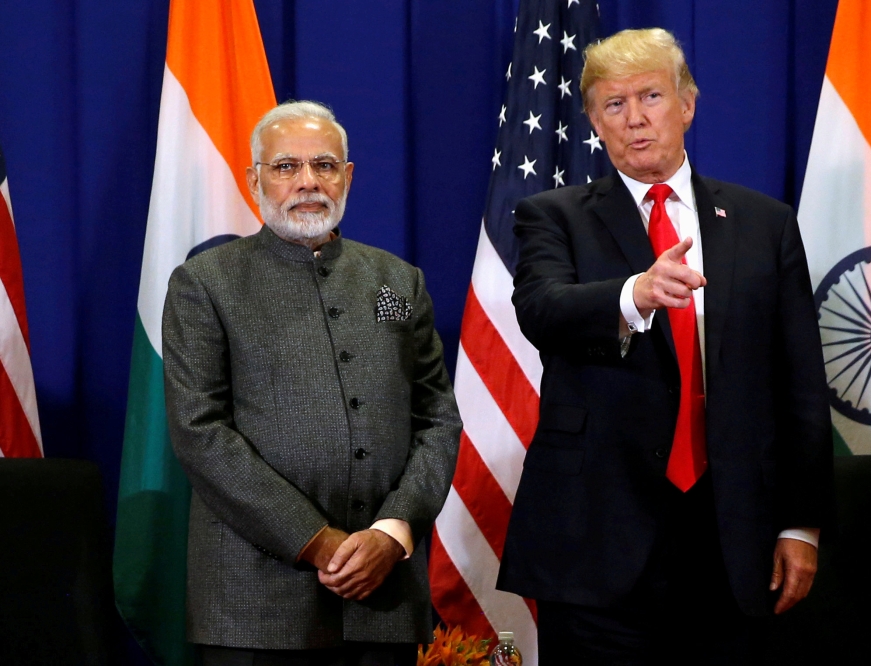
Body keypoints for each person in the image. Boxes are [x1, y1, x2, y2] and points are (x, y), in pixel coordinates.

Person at [496, 28, 834, 664]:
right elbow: (542, 310)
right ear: (594, 121)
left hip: (734, 536)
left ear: (688, 104)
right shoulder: (552, 215)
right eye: (614, 105)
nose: (635, 118)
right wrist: (635, 294)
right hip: (597, 537)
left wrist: (800, 523)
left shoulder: (765, 223)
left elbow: (800, 384)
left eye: (650, 95)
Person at [162, 100, 462, 666]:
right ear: (255, 179)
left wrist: (392, 533)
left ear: (347, 176)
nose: (308, 182)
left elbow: (438, 419)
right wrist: (318, 542)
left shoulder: (398, 280)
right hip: (253, 604)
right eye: (285, 167)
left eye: (324, 165)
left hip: (384, 594)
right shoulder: (205, 284)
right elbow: (200, 432)